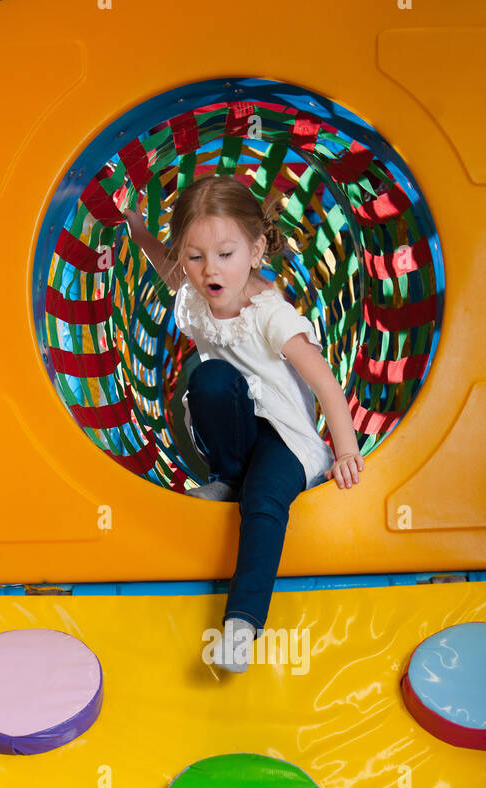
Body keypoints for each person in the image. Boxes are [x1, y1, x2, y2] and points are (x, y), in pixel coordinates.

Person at [121, 175, 364, 673]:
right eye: (195, 257)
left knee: (263, 502)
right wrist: (135, 226)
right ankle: (226, 476)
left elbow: (325, 384)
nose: (210, 270)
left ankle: (242, 623)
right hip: (238, 426)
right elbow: (164, 267)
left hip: (287, 438)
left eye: (225, 255)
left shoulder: (269, 315)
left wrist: (345, 450)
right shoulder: (193, 293)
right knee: (208, 378)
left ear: (255, 252)